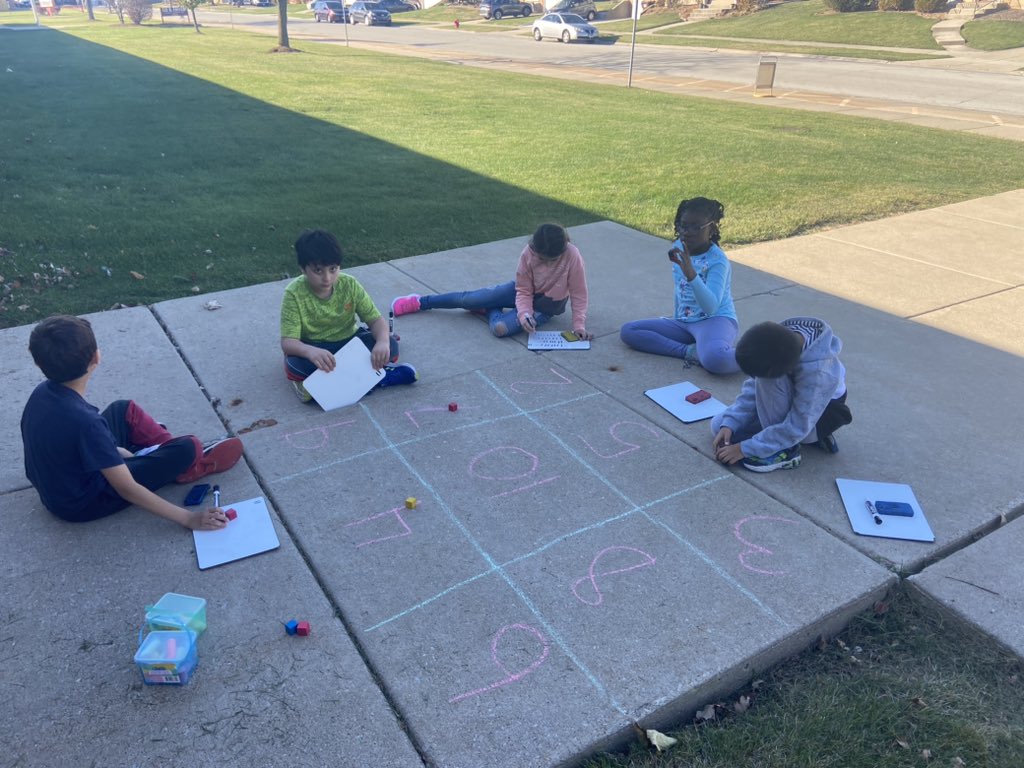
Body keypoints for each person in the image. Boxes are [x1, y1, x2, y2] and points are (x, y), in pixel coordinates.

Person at [20, 315, 243, 530]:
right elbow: (126, 488)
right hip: (83, 503)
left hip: (62, 487)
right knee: (188, 447)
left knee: (122, 409)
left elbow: (71, 440)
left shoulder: (42, 394)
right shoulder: (87, 423)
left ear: (38, 362)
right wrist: (189, 519)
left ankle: (159, 453)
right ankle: (187, 466)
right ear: (96, 357)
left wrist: (111, 451)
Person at [390, 222, 591, 340]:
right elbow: (523, 290)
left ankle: (489, 309)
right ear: (535, 248)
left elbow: (579, 292)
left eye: (552, 260)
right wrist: (524, 314)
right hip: (521, 293)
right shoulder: (529, 254)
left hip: (547, 306)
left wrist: (578, 326)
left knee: (500, 329)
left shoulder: (572, 255)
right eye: (542, 259)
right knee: (468, 300)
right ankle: (421, 302)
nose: (546, 263)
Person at [281, 229, 418, 402]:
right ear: (303, 269)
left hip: (349, 342)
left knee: (390, 345)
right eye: (318, 270)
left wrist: (382, 342)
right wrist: (309, 351)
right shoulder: (293, 293)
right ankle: (376, 377)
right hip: (316, 348)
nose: (327, 278)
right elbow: (288, 342)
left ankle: (327, 385)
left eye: (333, 269)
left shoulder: (349, 284)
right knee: (294, 364)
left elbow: (375, 320)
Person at [711, 317, 853, 473]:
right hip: (799, 405)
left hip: (820, 417)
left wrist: (744, 449)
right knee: (719, 426)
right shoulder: (777, 342)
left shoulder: (818, 374)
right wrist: (730, 422)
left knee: (768, 383)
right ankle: (774, 435)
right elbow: (753, 389)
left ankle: (787, 452)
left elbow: (797, 426)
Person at [620, 197, 739, 374]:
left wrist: (691, 274)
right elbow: (679, 290)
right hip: (684, 323)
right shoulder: (679, 247)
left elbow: (711, 307)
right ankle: (689, 351)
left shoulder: (718, 261)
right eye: (682, 226)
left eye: (695, 227)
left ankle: (757, 353)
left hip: (715, 321)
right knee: (630, 331)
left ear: (712, 228)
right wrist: (677, 318)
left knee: (717, 360)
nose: (687, 232)